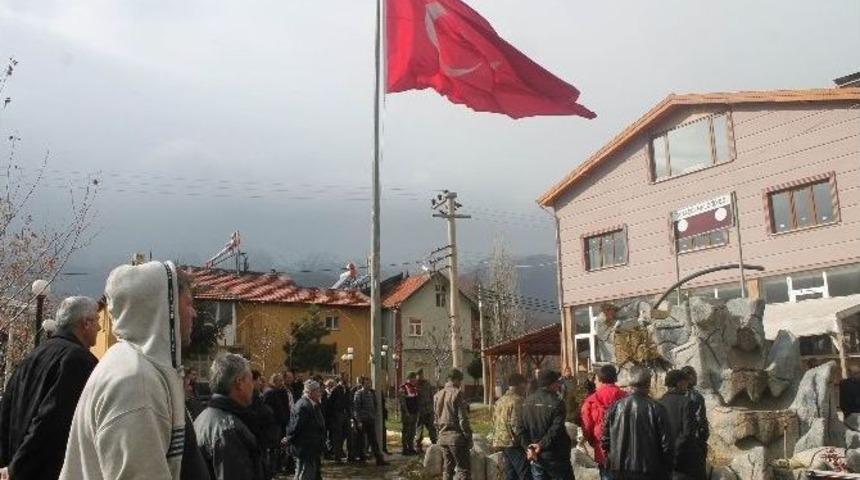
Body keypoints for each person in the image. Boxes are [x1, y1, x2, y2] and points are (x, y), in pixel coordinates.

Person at [60, 261, 209, 480]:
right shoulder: (135, 382)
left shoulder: (137, 367)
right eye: (188, 303)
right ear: (163, 308)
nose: (194, 313)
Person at [0, 296, 100, 480]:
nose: (100, 328)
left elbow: (6, 409)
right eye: (97, 321)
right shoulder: (78, 361)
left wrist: (8, 466)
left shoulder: (35, 354)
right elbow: (51, 421)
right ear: (85, 323)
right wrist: (17, 468)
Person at [194, 353, 265, 480]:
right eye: (250, 379)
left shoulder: (202, 418)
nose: (253, 385)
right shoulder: (228, 430)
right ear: (239, 382)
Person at [601, 366, 674, 480]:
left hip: (620, 470)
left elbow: (605, 440)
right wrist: (667, 469)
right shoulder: (657, 408)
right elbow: (667, 445)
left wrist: (612, 460)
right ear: (648, 384)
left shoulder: (615, 408)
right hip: (649, 470)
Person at [519, 370, 573, 480]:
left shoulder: (525, 402)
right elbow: (555, 430)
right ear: (551, 384)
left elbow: (520, 428)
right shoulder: (557, 403)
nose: (558, 385)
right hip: (556, 455)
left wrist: (528, 447)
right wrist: (540, 445)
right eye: (557, 383)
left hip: (536, 456)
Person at [581, 364, 627, 480]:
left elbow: (586, 426)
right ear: (615, 379)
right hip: (625, 448)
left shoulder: (590, 401)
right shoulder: (626, 398)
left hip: (602, 448)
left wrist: (592, 442)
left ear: (600, 380)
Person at [660, 370, 705, 480]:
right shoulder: (686, 402)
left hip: (664, 460)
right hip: (685, 461)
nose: (687, 385)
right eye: (685, 382)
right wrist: (676, 452)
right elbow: (688, 432)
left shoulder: (659, 403)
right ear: (678, 383)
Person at [434, 369, 472, 480]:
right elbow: (462, 419)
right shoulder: (457, 393)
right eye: (460, 380)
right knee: (463, 470)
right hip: (456, 437)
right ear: (455, 380)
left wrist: (438, 435)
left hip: (443, 437)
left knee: (447, 470)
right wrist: (468, 436)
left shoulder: (437, 395)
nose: (460, 383)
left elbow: (435, 419)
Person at [284, 380, 326, 480]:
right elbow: (296, 426)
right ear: (310, 392)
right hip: (305, 446)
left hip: (310, 446)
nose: (319, 393)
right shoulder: (303, 406)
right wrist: (288, 439)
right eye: (317, 391)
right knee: (305, 473)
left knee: (302, 471)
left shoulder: (311, 404)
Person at [490, 373, 528, 480]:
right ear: (521, 385)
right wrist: (526, 444)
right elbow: (516, 424)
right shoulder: (518, 400)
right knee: (524, 473)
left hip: (500, 441)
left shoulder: (499, 401)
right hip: (513, 442)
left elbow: (493, 421)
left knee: (510, 474)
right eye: (525, 385)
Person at [680, 366, 709, 479]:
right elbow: (701, 422)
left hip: (679, 444)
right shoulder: (696, 397)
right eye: (694, 375)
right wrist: (703, 440)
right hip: (694, 444)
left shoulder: (675, 397)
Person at [353, 376, 388, 466]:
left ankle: (379, 459)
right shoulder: (358, 394)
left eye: (370, 383)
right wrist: (359, 421)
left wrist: (374, 415)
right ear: (363, 384)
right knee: (360, 441)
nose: (369, 385)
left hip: (370, 420)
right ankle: (361, 459)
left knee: (373, 440)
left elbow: (375, 405)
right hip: (363, 420)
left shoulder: (371, 393)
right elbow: (356, 409)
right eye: (367, 383)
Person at [263, 373, 291, 473]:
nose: (281, 382)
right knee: (273, 448)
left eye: (281, 380)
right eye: (279, 380)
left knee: (279, 447)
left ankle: (278, 467)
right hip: (273, 425)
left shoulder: (281, 392)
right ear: (274, 381)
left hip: (281, 423)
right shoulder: (270, 393)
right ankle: (272, 469)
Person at [414, 369, 438, 452]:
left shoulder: (427, 384)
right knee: (419, 429)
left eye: (422, 374)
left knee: (432, 428)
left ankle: (435, 443)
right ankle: (418, 445)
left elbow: (432, 395)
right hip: (420, 411)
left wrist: (433, 407)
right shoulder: (415, 385)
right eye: (419, 375)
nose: (421, 376)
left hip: (428, 410)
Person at [399, 372, 420, 455]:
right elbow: (402, 402)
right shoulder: (403, 388)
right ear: (409, 378)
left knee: (412, 431)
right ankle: (405, 448)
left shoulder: (414, 388)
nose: (415, 380)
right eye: (413, 378)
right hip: (407, 413)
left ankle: (411, 447)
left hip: (414, 412)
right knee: (406, 431)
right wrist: (406, 412)